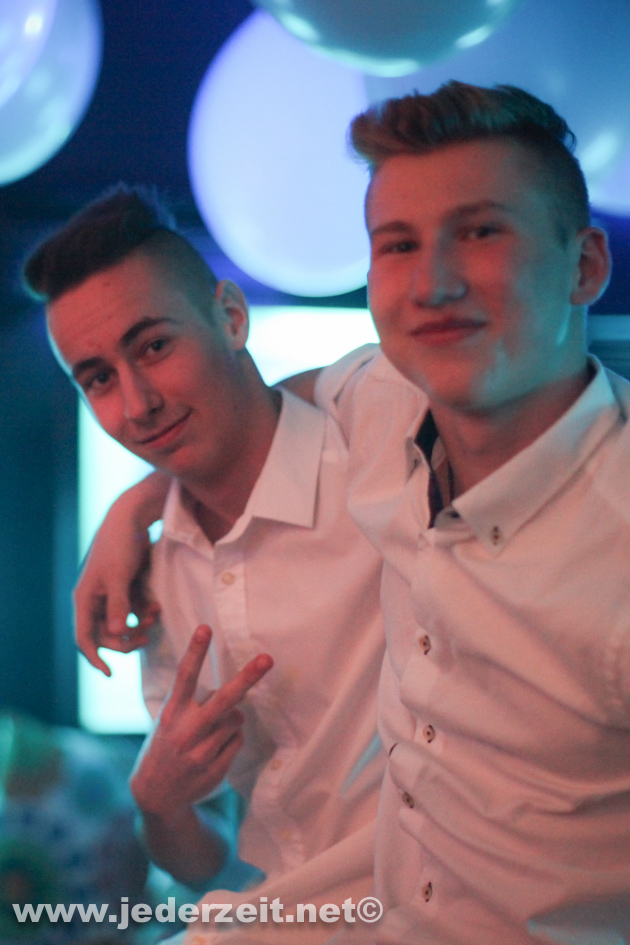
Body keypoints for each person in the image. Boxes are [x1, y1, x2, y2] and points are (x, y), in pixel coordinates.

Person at [312, 80, 630, 944]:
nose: (433, 283)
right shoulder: (387, 396)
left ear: (584, 266)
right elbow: (291, 395)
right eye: (399, 244)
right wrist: (142, 505)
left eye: (481, 231)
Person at [23, 187, 386, 944]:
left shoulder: (379, 458)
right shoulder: (157, 578)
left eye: (154, 346)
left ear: (231, 316)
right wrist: (158, 803)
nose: (137, 404)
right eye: (98, 378)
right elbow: (213, 868)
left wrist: (133, 502)